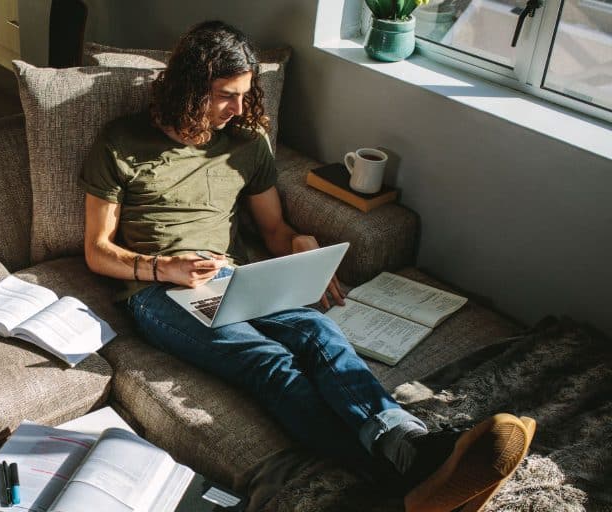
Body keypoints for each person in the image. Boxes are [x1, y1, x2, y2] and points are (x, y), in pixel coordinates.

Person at [79, 20, 534, 511]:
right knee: (270, 362)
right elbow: (97, 249)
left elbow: (273, 229)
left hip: (235, 279)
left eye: (243, 94)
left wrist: (297, 245)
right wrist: (164, 268)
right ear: (189, 88)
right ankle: (404, 480)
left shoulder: (246, 143)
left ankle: (413, 446)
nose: (237, 108)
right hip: (155, 293)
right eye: (225, 96)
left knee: (319, 332)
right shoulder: (121, 142)